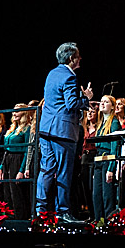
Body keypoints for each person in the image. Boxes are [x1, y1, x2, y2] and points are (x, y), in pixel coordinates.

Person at [36, 43, 92, 226]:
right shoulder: (70, 77)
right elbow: (71, 104)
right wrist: (87, 99)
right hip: (63, 131)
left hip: (46, 129)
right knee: (63, 173)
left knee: (46, 170)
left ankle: (41, 211)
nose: (80, 59)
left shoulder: (51, 74)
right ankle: (63, 212)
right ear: (71, 59)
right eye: (78, 56)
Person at [91, 95, 123, 224]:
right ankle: (99, 221)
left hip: (107, 159)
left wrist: (111, 168)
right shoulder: (101, 123)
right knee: (96, 195)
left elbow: (115, 147)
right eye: (102, 101)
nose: (103, 104)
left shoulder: (114, 122)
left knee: (107, 195)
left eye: (106, 102)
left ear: (112, 106)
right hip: (98, 160)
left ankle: (109, 223)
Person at [0, 105, 32, 219]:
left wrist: (21, 170)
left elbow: (28, 150)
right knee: (7, 192)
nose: (14, 113)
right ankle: (10, 218)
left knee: (16, 192)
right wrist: (1, 167)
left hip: (18, 159)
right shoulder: (12, 129)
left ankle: (20, 218)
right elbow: (6, 150)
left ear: (24, 113)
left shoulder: (27, 128)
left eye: (17, 111)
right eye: (13, 111)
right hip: (8, 158)